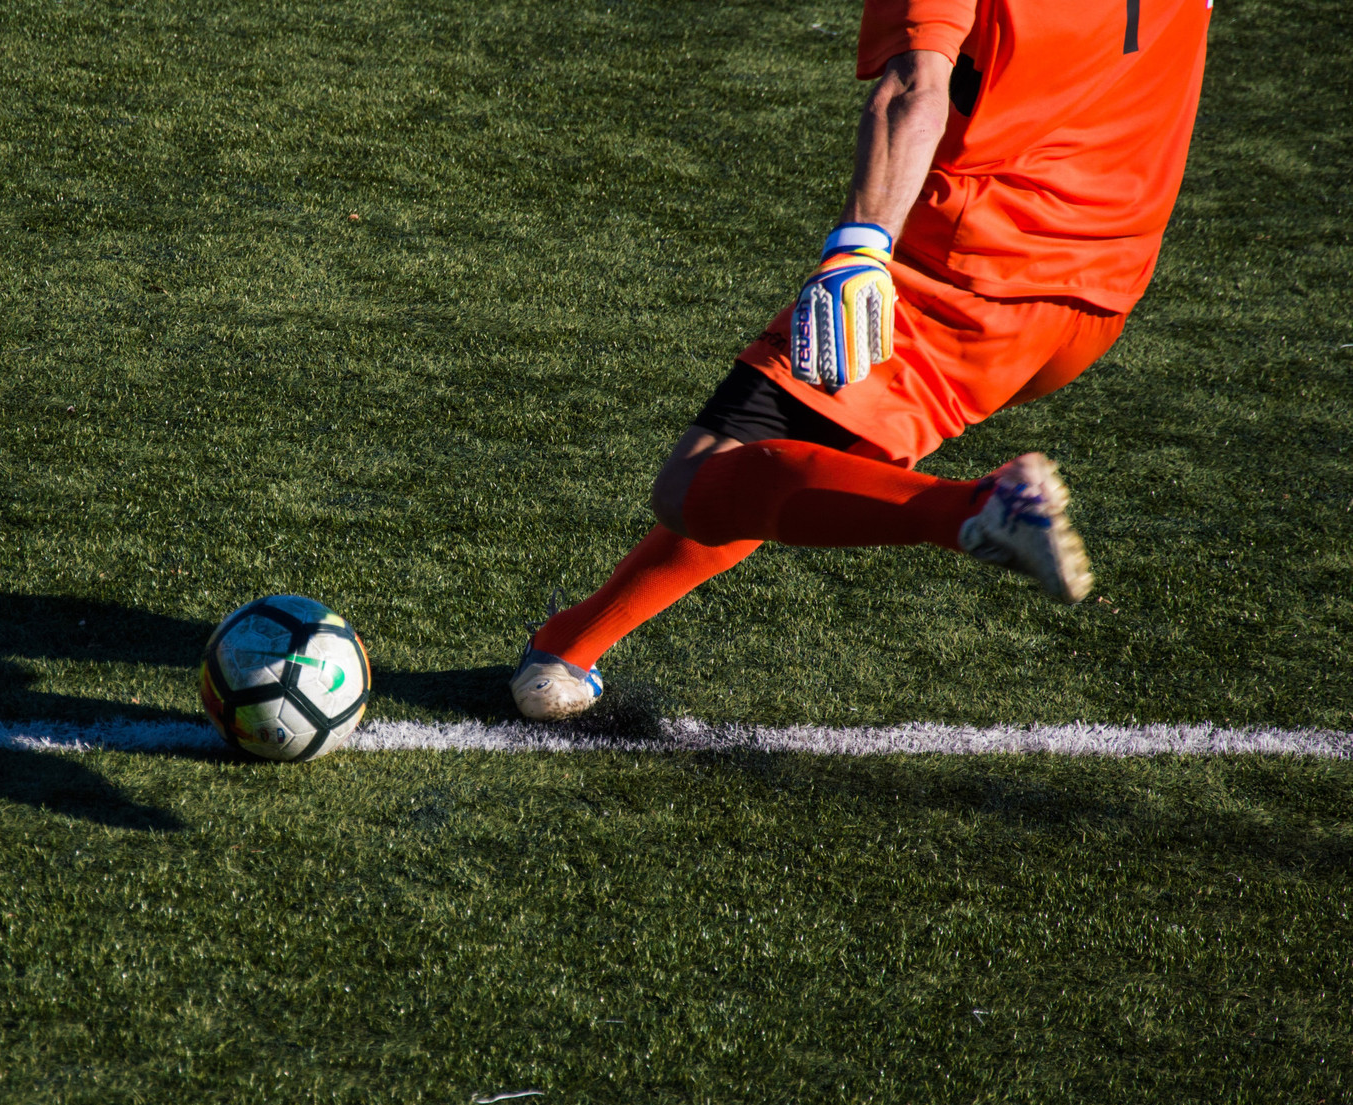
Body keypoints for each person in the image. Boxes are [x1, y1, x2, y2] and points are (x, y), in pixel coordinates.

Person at [511, 0, 1214, 721]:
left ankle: (973, 509)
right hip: (1101, 295)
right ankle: (568, 647)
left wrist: (861, 244)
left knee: (691, 482)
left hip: (968, 272)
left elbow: (915, 88)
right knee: (777, 456)